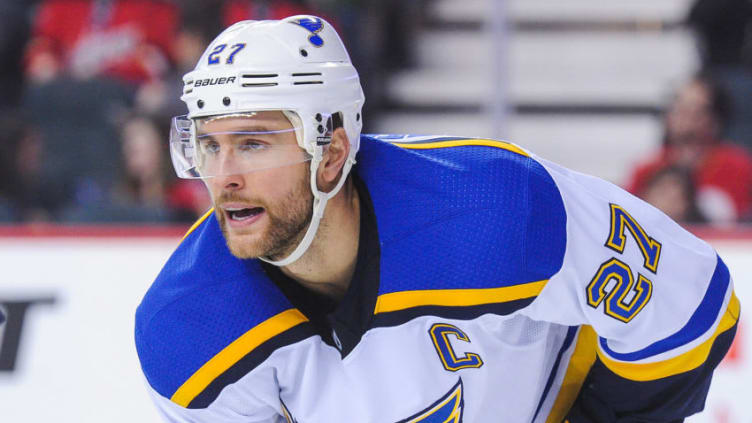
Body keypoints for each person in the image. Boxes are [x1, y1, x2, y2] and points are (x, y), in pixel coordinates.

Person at [135, 16, 739, 422]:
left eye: (254, 143)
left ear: (334, 152)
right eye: (209, 145)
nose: (224, 175)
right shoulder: (187, 330)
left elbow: (690, 304)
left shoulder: (489, 208)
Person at [627, 75, 752, 224]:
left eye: (697, 111)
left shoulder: (740, 167)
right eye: (679, 109)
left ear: (715, 119)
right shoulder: (647, 169)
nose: (686, 119)